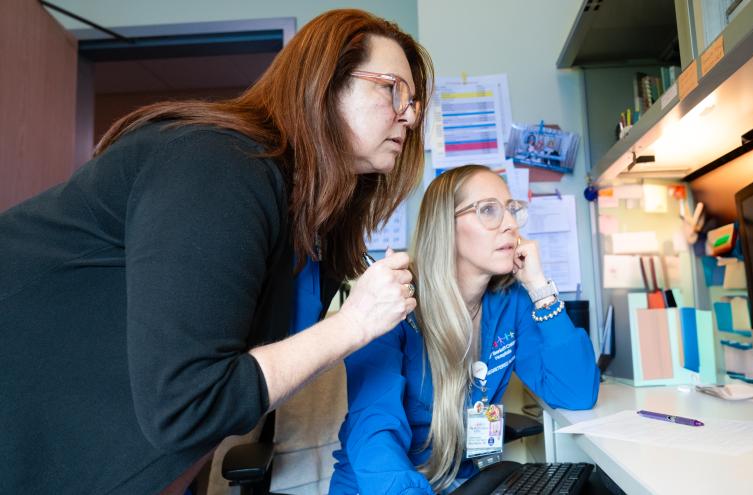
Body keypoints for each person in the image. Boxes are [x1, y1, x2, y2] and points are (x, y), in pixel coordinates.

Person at [0, 9, 432, 494]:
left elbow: (228, 399)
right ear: (324, 84)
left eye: (414, 102)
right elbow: (189, 405)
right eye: (392, 88)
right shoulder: (218, 164)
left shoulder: (313, 229)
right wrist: (355, 323)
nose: (411, 115)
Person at [330, 165, 600, 494]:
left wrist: (540, 288)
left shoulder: (510, 300)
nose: (511, 224)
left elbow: (577, 393)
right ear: (446, 226)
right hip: (384, 485)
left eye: (512, 209)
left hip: (462, 480)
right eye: (489, 210)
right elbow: (373, 433)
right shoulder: (393, 299)